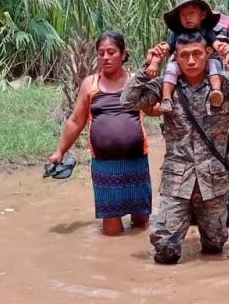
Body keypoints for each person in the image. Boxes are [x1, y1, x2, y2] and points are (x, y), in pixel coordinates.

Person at [122, 32, 229, 264]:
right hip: (177, 181)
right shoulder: (167, 86)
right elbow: (127, 101)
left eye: (197, 54)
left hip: (213, 181)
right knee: (165, 250)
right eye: (184, 55)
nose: (191, 61)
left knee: (214, 248)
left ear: (208, 54)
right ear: (176, 57)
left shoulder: (224, 83)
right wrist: (149, 65)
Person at [49, 31, 156, 236]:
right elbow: (75, 121)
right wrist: (60, 151)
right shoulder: (90, 84)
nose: (106, 57)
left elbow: (152, 108)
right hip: (105, 165)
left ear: (123, 54)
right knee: (111, 231)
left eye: (111, 52)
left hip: (136, 160)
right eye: (101, 53)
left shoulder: (135, 81)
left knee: (142, 223)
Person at [146, 0, 229, 113]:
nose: (187, 17)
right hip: (181, 66)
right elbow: (163, 50)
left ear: (203, 14)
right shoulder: (177, 35)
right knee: (171, 67)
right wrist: (154, 63)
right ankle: (166, 98)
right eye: (183, 14)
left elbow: (219, 46)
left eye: (191, 13)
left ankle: (216, 91)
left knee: (215, 62)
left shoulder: (207, 32)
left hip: (205, 65)